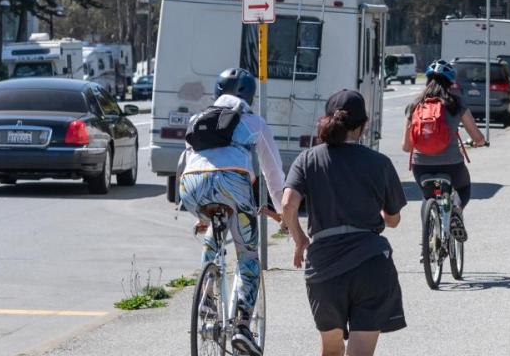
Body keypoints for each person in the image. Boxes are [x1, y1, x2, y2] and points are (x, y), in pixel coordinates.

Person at [279, 90, 407, 356]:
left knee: (332, 349)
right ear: (363, 125)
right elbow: (393, 220)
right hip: (371, 264)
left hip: (324, 268)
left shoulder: (307, 159)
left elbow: (287, 204)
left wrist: (299, 238)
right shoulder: (380, 163)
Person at [177, 67, 286, 356]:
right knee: (248, 255)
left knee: (214, 229)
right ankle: (241, 327)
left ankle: (207, 296)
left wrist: (200, 215)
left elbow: (185, 162)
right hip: (232, 184)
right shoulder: (254, 121)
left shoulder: (198, 119)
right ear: (249, 95)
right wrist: (284, 211)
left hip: (190, 187)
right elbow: (273, 173)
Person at [404, 60, 486, 241]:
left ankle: (427, 240)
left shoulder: (414, 106)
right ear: (450, 82)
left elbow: (407, 146)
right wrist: (479, 142)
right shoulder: (456, 104)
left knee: (427, 198)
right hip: (451, 164)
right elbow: (477, 136)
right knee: (464, 188)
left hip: (421, 166)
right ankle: (456, 210)